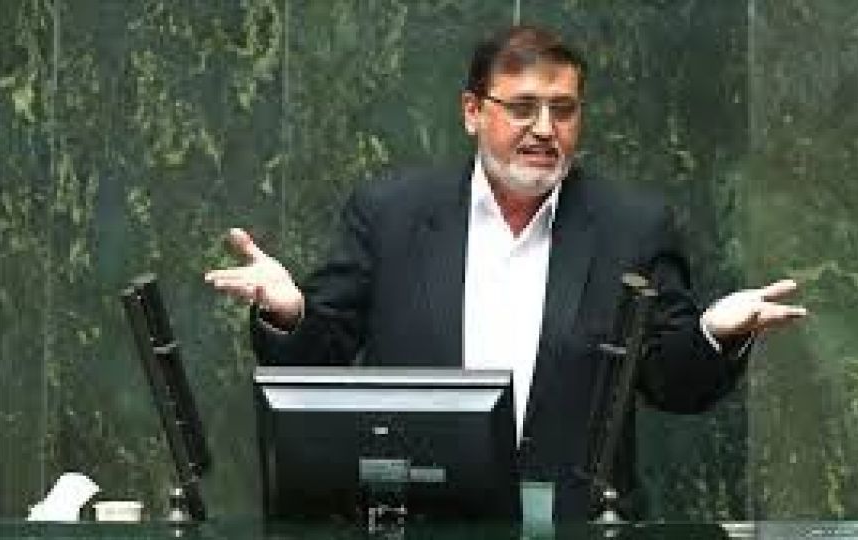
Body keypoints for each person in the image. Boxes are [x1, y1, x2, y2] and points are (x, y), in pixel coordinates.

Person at [205, 25, 806, 521]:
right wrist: (289, 313)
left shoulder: (632, 227)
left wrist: (714, 334)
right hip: (421, 519)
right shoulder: (391, 214)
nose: (544, 129)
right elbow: (320, 356)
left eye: (563, 110)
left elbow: (672, 383)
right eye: (522, 108)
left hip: (574, 522)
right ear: (473, 111)